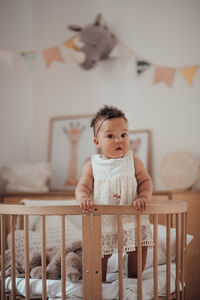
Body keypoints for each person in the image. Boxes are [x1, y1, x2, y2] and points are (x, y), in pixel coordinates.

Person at [75, 105, 153, 282]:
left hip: (133, 217)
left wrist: (143, 196)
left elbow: (145, 181)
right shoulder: (92, 165)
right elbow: (83, 186)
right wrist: (83, 198)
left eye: (124, 135)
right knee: (100, 253)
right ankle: (100, 282)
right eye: (111, 136)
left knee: (139, 249)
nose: (119, 140)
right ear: (97, 142)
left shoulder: (133, 161)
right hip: (104, 219)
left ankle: (133, 278)